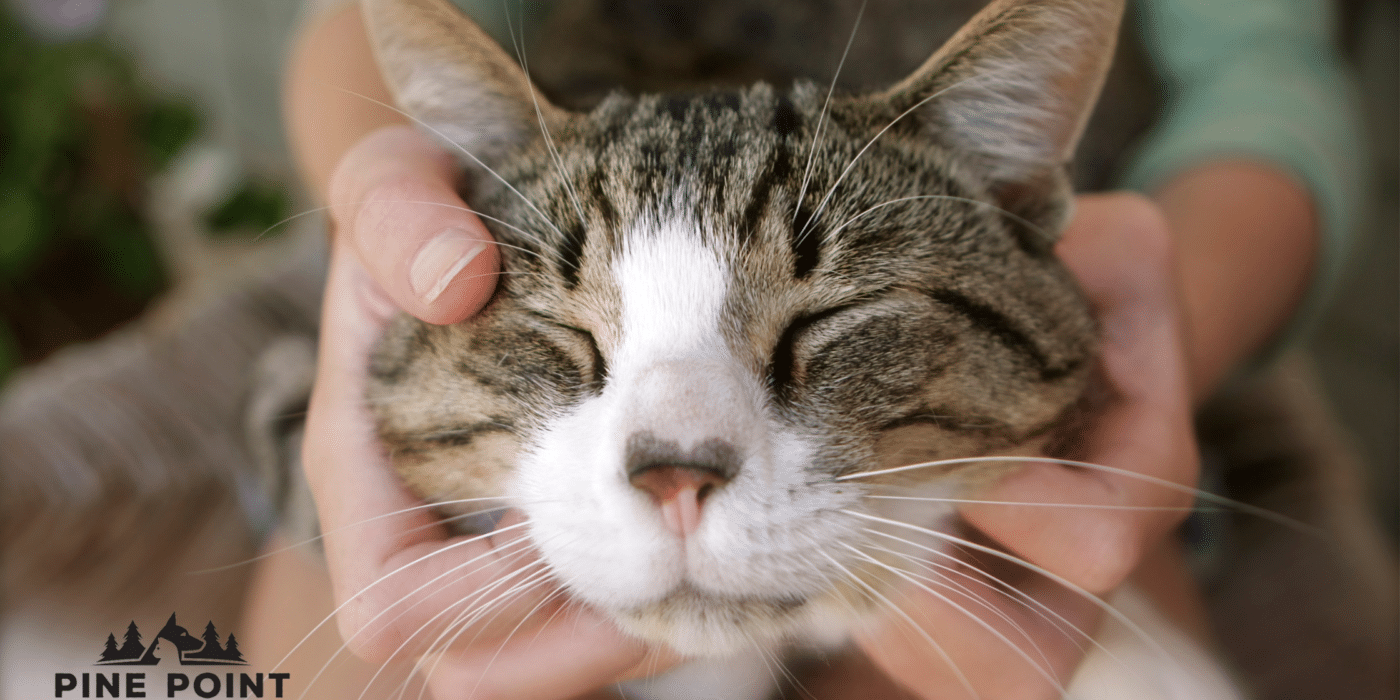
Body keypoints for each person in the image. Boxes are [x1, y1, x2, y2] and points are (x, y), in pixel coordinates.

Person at [268, 0, 1364, 697]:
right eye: (570, 336)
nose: (675, 472)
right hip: (555, 142)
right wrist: (378, 204)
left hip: (1143, 270)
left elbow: (1260, 81)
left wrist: (1159, 334)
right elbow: (363, 27)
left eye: (819, 326)